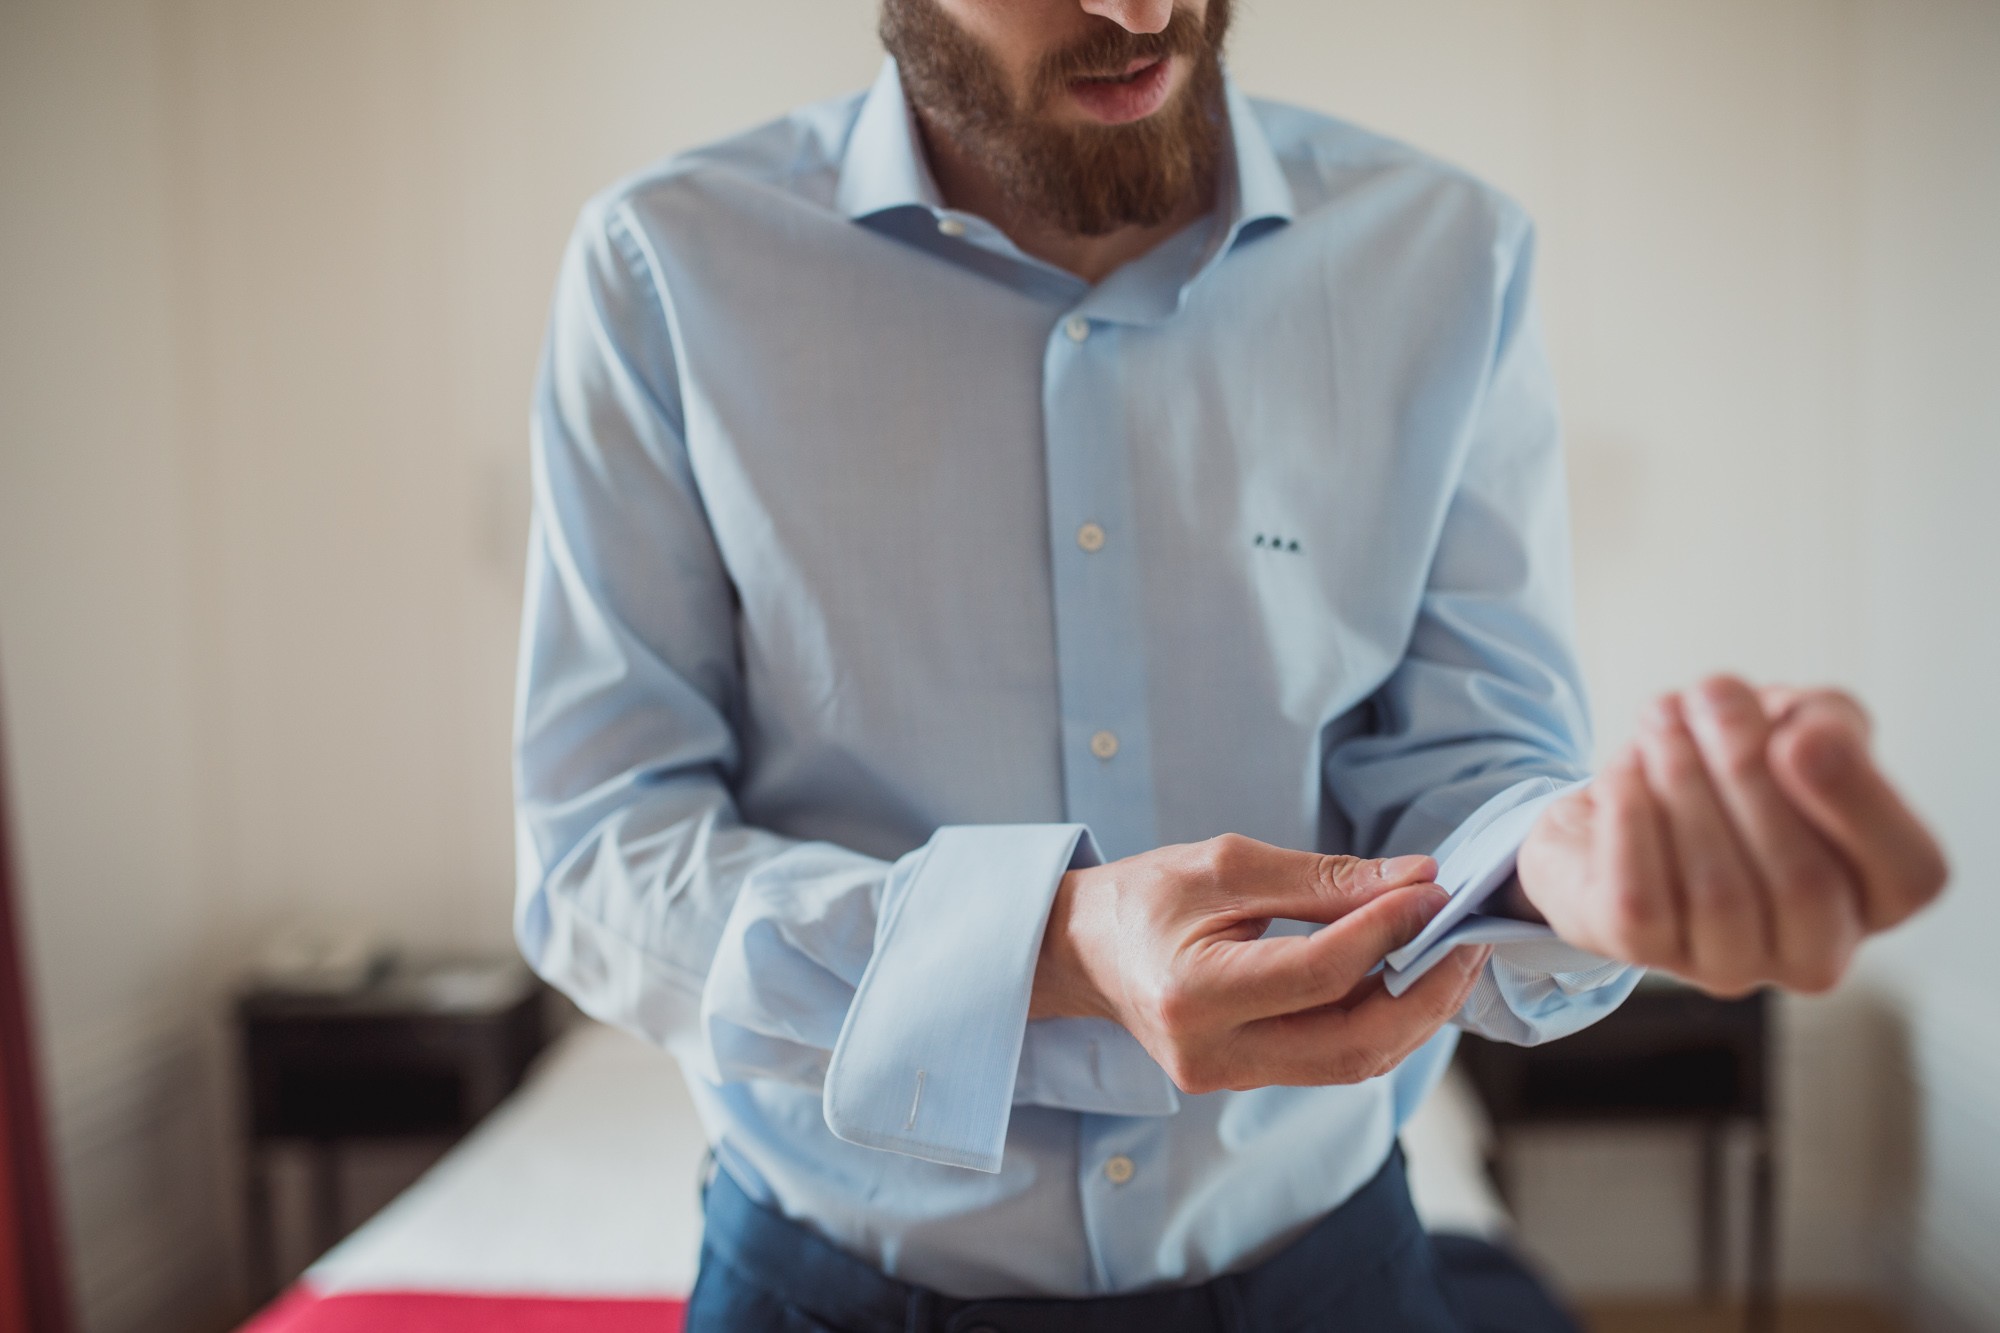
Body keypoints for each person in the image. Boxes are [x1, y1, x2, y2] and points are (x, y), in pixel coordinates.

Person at [512, 2, 1949, 1329]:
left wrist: (1563, 866)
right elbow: (597, 853)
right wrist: (1046, 954)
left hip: (1332, 1277)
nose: (1147, 11)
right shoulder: (663, 274)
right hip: (832, 1291)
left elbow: (1467, 769)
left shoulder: (1449, 258)